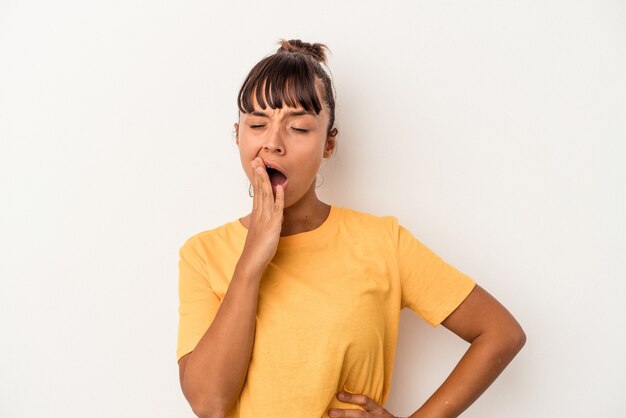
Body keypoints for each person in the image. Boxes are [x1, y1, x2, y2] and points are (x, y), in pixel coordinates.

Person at [176, 39, 526, 418]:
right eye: (257, 124)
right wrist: (251, 261)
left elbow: (500, 333)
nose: (272, 144)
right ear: (238, 135)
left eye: (299, 128)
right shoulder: (202, 254)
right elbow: (209, 404)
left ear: (329, 143)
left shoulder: (382, 242)